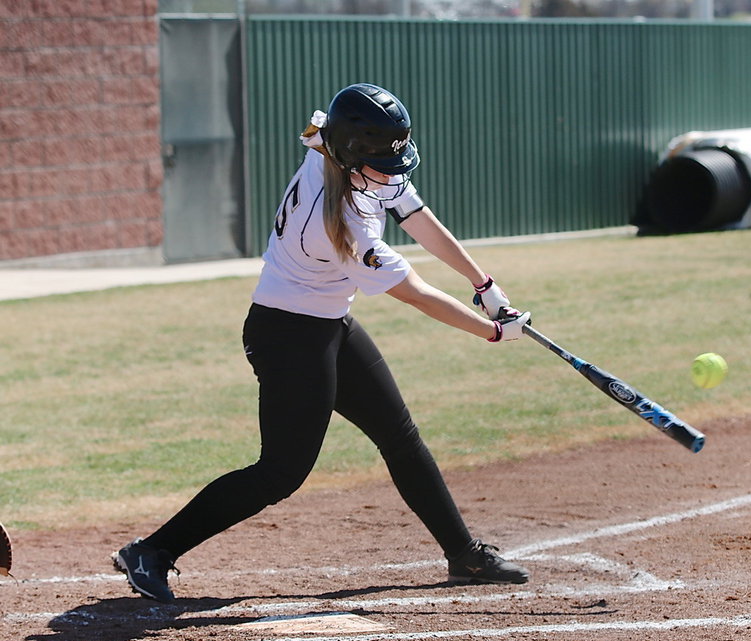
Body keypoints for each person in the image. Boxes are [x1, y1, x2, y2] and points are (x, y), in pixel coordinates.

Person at [112, 83, 532, 603]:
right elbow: (417, 294)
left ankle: (463, 553)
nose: (394, 170)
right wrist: (492, 330)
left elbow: (416, 216)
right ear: (353, 158)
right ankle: (151, 551)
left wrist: (484, 284)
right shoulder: (338, 224)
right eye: (383, 161)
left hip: (329, 323)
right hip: (288, 336)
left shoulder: (338, 149)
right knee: (280, 473)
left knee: (399, 435)